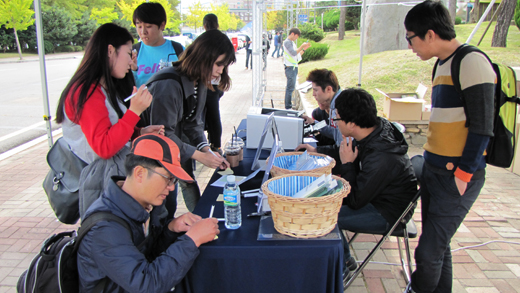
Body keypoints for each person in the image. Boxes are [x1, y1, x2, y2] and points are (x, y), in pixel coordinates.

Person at [404, 1, 495, 292]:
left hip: (456, 175)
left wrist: (463, 175)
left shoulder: (471, 61)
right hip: (434, 170)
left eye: (411, 38)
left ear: (429, 34)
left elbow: (482, 126)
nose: (410, 46)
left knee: (427, 252)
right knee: (438, 247)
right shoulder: (441, 64)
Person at [77, 134, 220, 292]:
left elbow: (147, 256)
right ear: (140, 173)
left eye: (174, 180)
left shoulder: (140, 204)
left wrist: (170, 230)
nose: (172, 187)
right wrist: (192, 240)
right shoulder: (105, 229)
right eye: (168, 178)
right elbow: (147, 284)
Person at [55, 23, 164, 217]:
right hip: (101, 183)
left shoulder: (102, 86)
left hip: (109, 177)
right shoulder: (87, 92)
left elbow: (112, 130)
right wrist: (135, 111)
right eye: (129, 53)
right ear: (110, 50)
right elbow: (104, 147)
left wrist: (139, 133)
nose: (131, 62)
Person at [146, 29, 235, 218]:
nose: (220, 70)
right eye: (219, 64)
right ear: (203, 56)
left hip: (170, 155)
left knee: (168, 204)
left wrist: (206, 150)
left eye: (224, 66)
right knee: (161, 211)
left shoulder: (199, 80)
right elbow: (162, 135)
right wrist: (199, 156)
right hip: (150, 162)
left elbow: (194, 122)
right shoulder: (168, 83)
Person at [332, 88, 417, 281]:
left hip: (389, 213)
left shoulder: (381, 157)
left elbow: (354, 201)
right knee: (326, 201)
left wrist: (347, 165)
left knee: (327, 216)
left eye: (337, 119)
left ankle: (343, 267)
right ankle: (344, 259)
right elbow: (348, 152)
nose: (335, 124)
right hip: (378, 197)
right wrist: (316, 151)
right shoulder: (374, 130)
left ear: (352, 124)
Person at [131, 2, 184, 87]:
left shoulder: (179, 50)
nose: (143, 32)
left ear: (162, 25)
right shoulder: (133, 53)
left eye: (148, 26)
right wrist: (133, 70)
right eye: (139, 27)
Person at [203, 13, 225, 155]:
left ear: (204, 25)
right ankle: (214, 144)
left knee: (209, 114)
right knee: (213, 113)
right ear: (217, 24)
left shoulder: (203, 40)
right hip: (217, 84)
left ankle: (214, 145)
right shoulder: (222, 39)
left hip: (206, 83)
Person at [283, 28, 311, 109]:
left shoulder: (291, 43)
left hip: (293, 67)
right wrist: (302, 46)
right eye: (296, 36)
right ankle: (288, 107)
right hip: (290, 68)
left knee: (291, 88)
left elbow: (297, 56)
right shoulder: (287, 42)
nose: (296, 38)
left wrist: (304, 49)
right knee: (290, 88)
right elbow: (294, 53)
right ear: (292, 34)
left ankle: (289, 106)